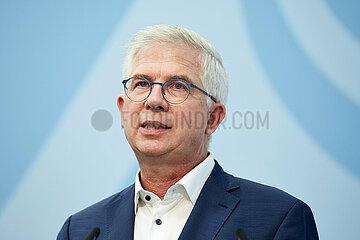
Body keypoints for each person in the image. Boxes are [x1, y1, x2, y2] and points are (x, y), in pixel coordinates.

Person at [57, 25, 319, 240]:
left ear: (212, 118)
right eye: (141, 83)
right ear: (123, 111)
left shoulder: (277, 219)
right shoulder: (80, 230)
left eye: (178, 86)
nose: (154, 100)